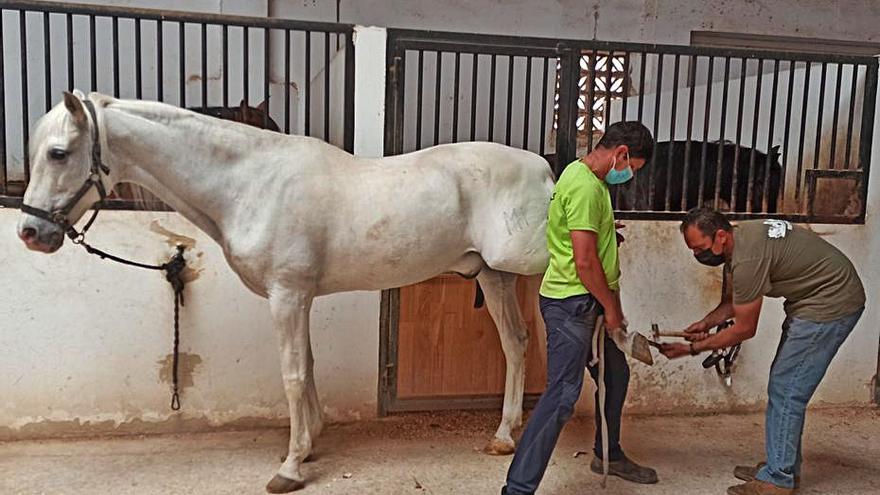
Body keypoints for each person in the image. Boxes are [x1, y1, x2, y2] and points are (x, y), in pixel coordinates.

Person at [661, 208, 865, 495]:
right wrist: (706, 323)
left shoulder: (747, 258)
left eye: (700, 248)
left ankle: (779, 479)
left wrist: (692, 348)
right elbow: (734, 302)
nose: (697, 256)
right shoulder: (739, 242)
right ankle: (782, 465)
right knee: (785, 385)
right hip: (816, 300)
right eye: (692, 250)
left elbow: (745, 328)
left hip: (830, 304)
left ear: (720, 235)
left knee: (787, 388)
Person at [501, 121, 658, 495]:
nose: (629, 176)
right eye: (632, 168)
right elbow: (585, 263)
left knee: (615, 375)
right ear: (621, 154)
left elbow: (579, 238)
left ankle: (608, 454)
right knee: (561, 396)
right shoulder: (588, 188)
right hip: (575, 303)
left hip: (582, 301)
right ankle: (517, 488)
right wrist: (612, 308)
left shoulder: (578, 172)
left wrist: (605, 231)